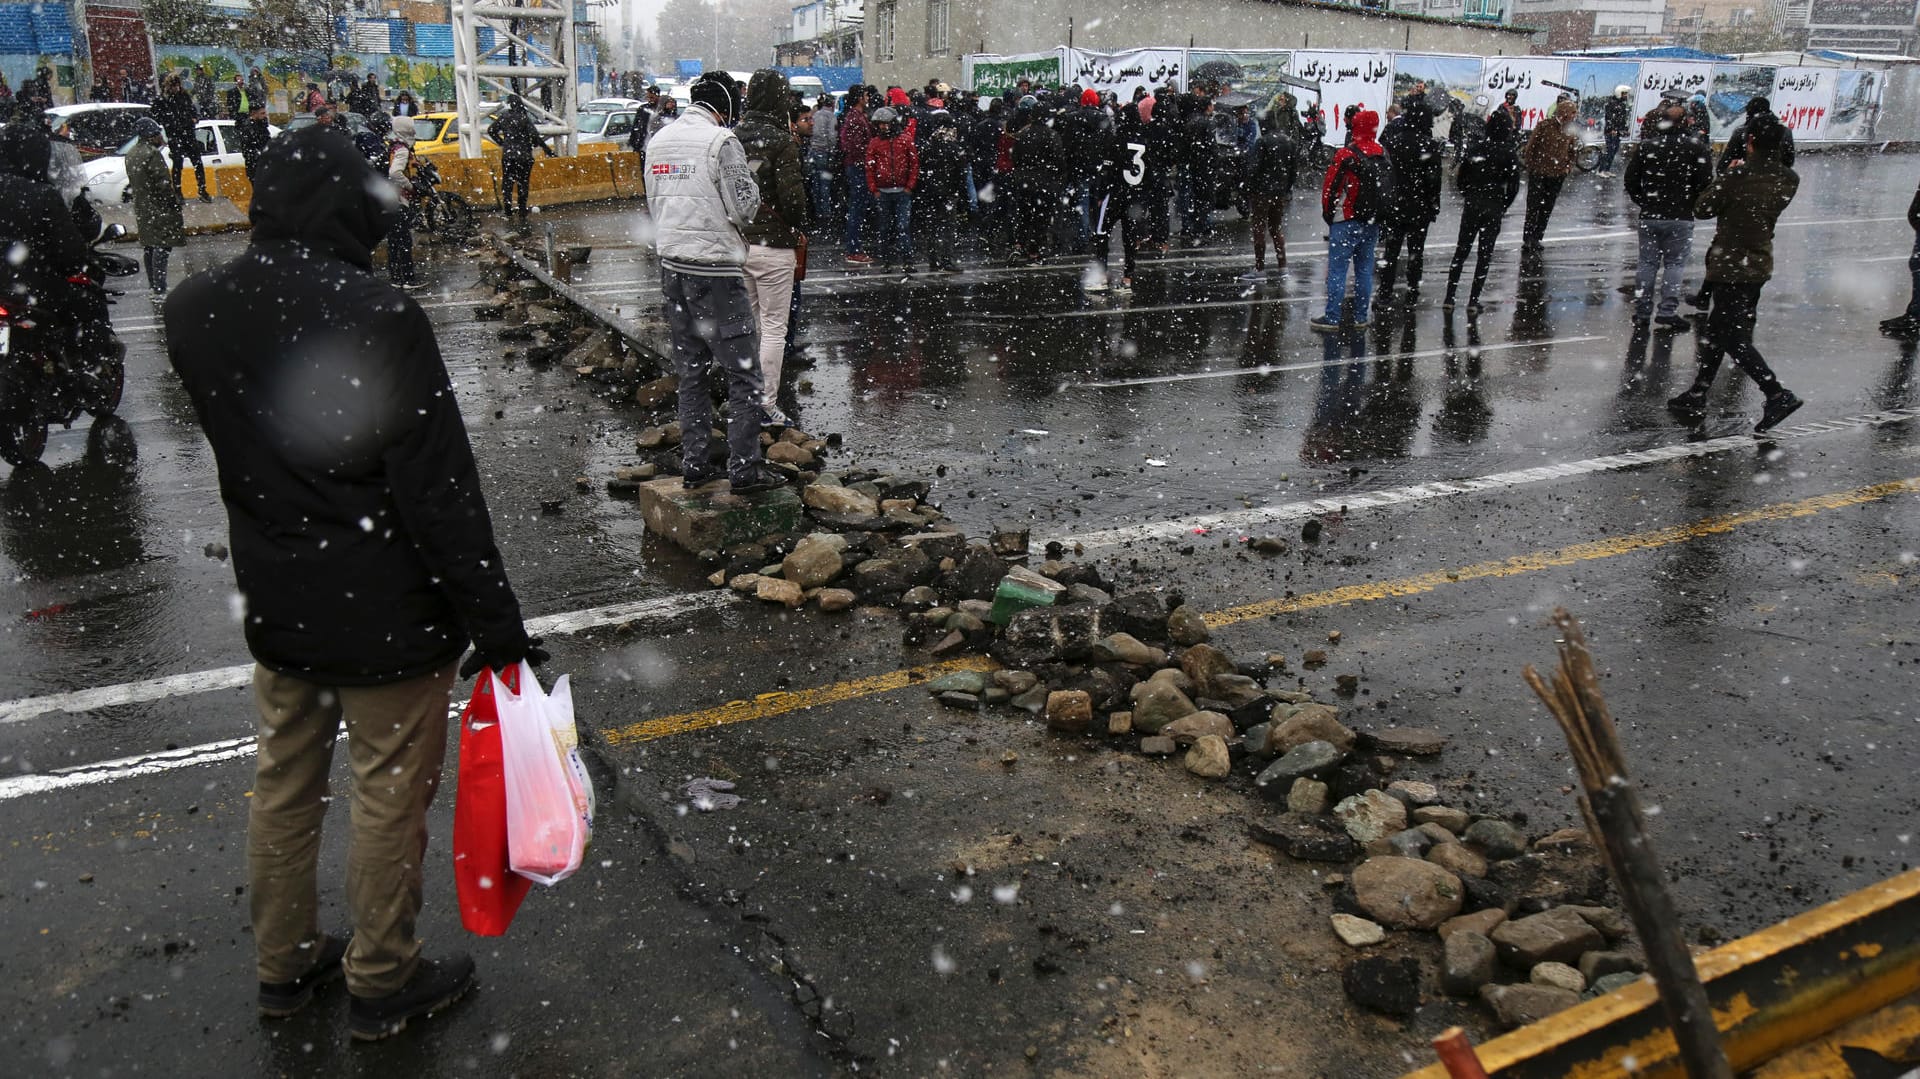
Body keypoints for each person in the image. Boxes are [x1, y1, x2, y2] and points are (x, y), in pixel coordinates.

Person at [163, 126, 539, 1041]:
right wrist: (498, 627)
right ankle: (382, 977)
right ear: (345, 206)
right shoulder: (379, 314)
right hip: (387, 613)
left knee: (284, 784)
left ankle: (284, 967)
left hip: (278, 599)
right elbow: (438, 490)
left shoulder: (195, 309)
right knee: (385, 795)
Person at [644, 72, 784, 495]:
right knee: (744, 375)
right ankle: (745, 470)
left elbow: (653, 202)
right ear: (725, 105)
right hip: (718, 272)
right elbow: (744, 208)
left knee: (691, 372)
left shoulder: (658, 141)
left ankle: (695, 465)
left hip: (673, 267)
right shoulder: (722, 142)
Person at [1666, 119, 1802, 433]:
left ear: (1750, 140)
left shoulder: (1738, 176)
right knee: (1717, 331)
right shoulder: (1788, 178)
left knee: (1730, 336)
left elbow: (1703, 207)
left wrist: (1727, 176)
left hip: (1730, 266)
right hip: (1757, 265)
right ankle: (1698, 392)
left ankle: (1776, 393)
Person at [734, 70, 807, 428]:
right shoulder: (782, 141)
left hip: (739, 242)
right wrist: (799, 224)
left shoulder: (731, 136)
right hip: (774, 245)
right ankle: (766, 403)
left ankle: (745, 399)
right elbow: (793, 200)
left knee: (749, 325)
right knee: (775, 327)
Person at [1624, 95, 1711, 332]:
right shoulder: (1696, 148)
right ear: (1686, 123)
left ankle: (1642, 312)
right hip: (1680, 215)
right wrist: (1691, 200)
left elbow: (1630, 180)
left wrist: (1644, 200)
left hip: (1651, 214)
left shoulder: (1648, 147)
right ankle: (1667, 311)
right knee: (1675, 264)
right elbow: (1706, 182)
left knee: (1647, 264)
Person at [0, 124, 92, 331]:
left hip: (20, 295)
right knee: (89, 310)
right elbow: (71, 254)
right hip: (36, 293)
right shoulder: (41, 195)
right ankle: (88, 359)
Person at [1312, 108, 1387, 332]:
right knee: (1364, 269)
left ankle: (1333, 316)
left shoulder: (1346, 154)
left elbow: (1330, 189)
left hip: (1347, 219)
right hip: (1372, 220)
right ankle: (1360, 316)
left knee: (1337, 270)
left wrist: (1329, 216)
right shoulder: (1382, 152)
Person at [1443, 109, 1521, 313]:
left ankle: (1450, 297)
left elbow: (1461, 179)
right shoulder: (1509, 153)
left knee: (1461, 251)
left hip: (1473, 204)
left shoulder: (1476, 149)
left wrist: (1469, 194)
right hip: (1493, 205)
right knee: (1485, 255)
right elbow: (1513, 187)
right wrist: (1503, 204)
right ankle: (1473, 300)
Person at [1378, 87, 1441, 303]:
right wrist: (1433, 205)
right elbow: (1434, 181)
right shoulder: (1428, 145)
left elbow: (1385, 176)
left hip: (1395, 204)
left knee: (1391, 251)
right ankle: (1412, 292)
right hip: (1419, 206)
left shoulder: (1394, 143)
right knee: (1416, 252)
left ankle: (1385, 292)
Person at [1091, 101, 1149, 292]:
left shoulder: (1117, 139)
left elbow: (1107, 169)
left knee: (1102, 234)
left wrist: (1101, 192)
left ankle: (1102, 275)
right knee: (1130, 239)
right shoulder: (1143, 140)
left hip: (1115, 193)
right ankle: (1128, 278)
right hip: (1135, 195)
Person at [125, 118, 184, 296]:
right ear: (151, 135)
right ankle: (159, 285)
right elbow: (163, 183)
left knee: (149, 246)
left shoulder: (132, 153)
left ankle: (153, 284)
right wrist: (172, 203)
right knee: (162, 245)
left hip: (143, 207)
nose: (161, 136)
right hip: (158, 207)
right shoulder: (151, 154)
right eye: (158, 133)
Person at [914, 94, 966, 273]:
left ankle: (934, 259)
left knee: (932, 227)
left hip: (930, 192)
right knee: (948, 228)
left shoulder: (928, 146)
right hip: (948, 192)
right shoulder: (954, 147)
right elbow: (961, 172)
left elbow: (921, 169)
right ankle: (947, 259)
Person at [1010, 95, 1064, 264]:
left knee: (1024, 215)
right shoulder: (1051, 135)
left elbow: (1016, 158)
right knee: (1040, 219)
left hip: (1024, 181)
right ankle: (1034, 253)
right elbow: (1059, 161)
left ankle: (1018, 245)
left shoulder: (1022, 134)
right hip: (1044, 183)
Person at [1520, 98, 1579, 249]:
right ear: (1564, 112)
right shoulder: (1544, 126)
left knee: (1547, 206)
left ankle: (1537, 237)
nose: (1574, 116)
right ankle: (1528, 238)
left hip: (1557, 175)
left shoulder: (1570, 130)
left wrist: (1567, 168)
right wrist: (1532, 167)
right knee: (1533, 206)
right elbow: (1531, 148)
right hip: (1539, 173)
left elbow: (1572, 152)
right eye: (1572, 112)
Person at [865, 106, 918, 273]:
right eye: (881, 124)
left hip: (899, 190)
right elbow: (869, 168)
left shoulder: (903, 140)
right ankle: (891, 260)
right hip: (887, 191)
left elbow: (914, 164)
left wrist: (909, 186)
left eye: (886, 123)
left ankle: (903, 260)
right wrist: (874, 188)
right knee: (887, 227)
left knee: (899, 227)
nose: (883, 127)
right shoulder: (878, 143)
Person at [1246, 102, 1297, 276]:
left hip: (1262, 192)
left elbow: (1253, 169)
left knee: (1259, 228)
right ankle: (1282, 266)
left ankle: (1260, 269)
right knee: (1276, 228)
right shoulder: (1289, 142)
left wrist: (1250, 187)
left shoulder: (1263, 142)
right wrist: (1286, 189)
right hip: (1279, 192)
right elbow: (1293, 170)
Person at [487, 96, 550, 218]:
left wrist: (502, 143)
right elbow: (534, 135)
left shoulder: (504, 117)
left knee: (507, 182)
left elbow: (491, 130)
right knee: (523, 182)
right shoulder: (524, 118)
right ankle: (522, 209)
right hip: (524, 156)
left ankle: (508, 209)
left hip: (509, 155)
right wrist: (538, 146)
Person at [157, 73, 212, 203]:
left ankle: (202, 189)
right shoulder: (164, 100)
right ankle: (178, 192)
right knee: (178, 163)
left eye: (178, 85)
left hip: (188, 133)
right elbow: (161, 117)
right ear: (169, 86)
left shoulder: (184, 96)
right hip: (176, 135)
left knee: (197, 162)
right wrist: (174, 125)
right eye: (174, 85)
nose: (176, 88)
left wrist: (194, 118)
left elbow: (193, 111)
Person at [839, 87, 874, 264]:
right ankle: (853, 249)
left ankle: (855, 247)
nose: (868, 98)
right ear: (860, 98)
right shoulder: (855, 118)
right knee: (857, 209)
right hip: (857, 167)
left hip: (857, 166)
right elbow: (851, 146)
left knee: (858, 208)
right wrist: (867, 155)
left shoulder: (856, 116)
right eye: (866, 95)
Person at [385, 115, 420, 289]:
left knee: (394, 242)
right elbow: (395, 173)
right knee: (404, 241)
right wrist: (409, 185)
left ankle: (396, 278)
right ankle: (407, 279)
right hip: (399, 199)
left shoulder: (393, 145)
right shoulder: (403, 149)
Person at [1720, 97, 1795, 175]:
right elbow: (1789, 161)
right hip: (1777, 179)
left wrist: (1733, 172)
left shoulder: (1742, 132)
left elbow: (1722, 167)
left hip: (1746, 179)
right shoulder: (1784, 131)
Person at [805, 93, 838, 227]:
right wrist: (832, 150)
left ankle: (817, 211)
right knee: (825, 184)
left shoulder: (816, 114)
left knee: (815, 183)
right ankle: (826, 213)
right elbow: (832, 135)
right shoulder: (831, 117)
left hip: (813, 151)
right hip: (824, 151)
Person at [1596, 86, 1632, 177]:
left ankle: (1607, 169)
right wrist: (1612, 129)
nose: (1626, 96)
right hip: (1611, 132)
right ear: (1619, 93)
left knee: (1614, 151)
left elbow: (1622, 119)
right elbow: (1609, 118)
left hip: (1618, 132)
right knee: (1609, 151)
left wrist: (1624, 129)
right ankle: (1601, 170)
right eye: (1624, 93)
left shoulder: (1622, 105)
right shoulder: (1611, 104)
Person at [237, 100, 272, 181]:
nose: (265, 115)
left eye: (265, 113)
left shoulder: (262, 126)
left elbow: (268, 142)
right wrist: (261, 156)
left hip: (265, 166)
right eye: (262, 113)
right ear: (253, 113)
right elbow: (247, 151)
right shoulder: (248, 129)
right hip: (256, 168)